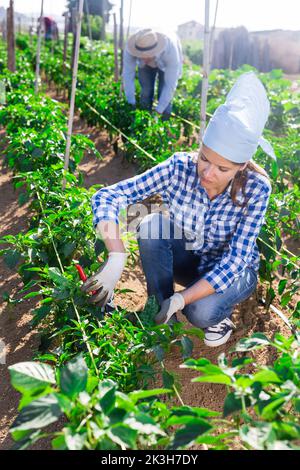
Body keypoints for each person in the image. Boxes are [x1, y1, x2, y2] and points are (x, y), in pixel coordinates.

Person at [82, 72, 276, 348]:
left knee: (201, 313)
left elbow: (236, 260)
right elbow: (109, 195)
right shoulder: (178, 168)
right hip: (192, 259)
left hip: (233, 272)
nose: (208, 173)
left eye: (222, 169)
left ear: (241, 166)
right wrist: (115, 256)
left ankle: (214, 314)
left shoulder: (257, 188)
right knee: (150, 224)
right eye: (204, 159)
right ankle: (162, 314)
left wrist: (183, 298)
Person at [122, 28, 183, 120]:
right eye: (140, 56)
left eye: (146, 56)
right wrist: (131, 103)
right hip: (148, 62)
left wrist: (159, 110)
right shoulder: (132, 47)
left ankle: (164, 126)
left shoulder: (171, 50)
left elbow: (170, 85)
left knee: (163, 91)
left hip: (165, 64)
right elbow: (128, 74)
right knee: (146, 91)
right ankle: (144, 121)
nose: (144, 58)